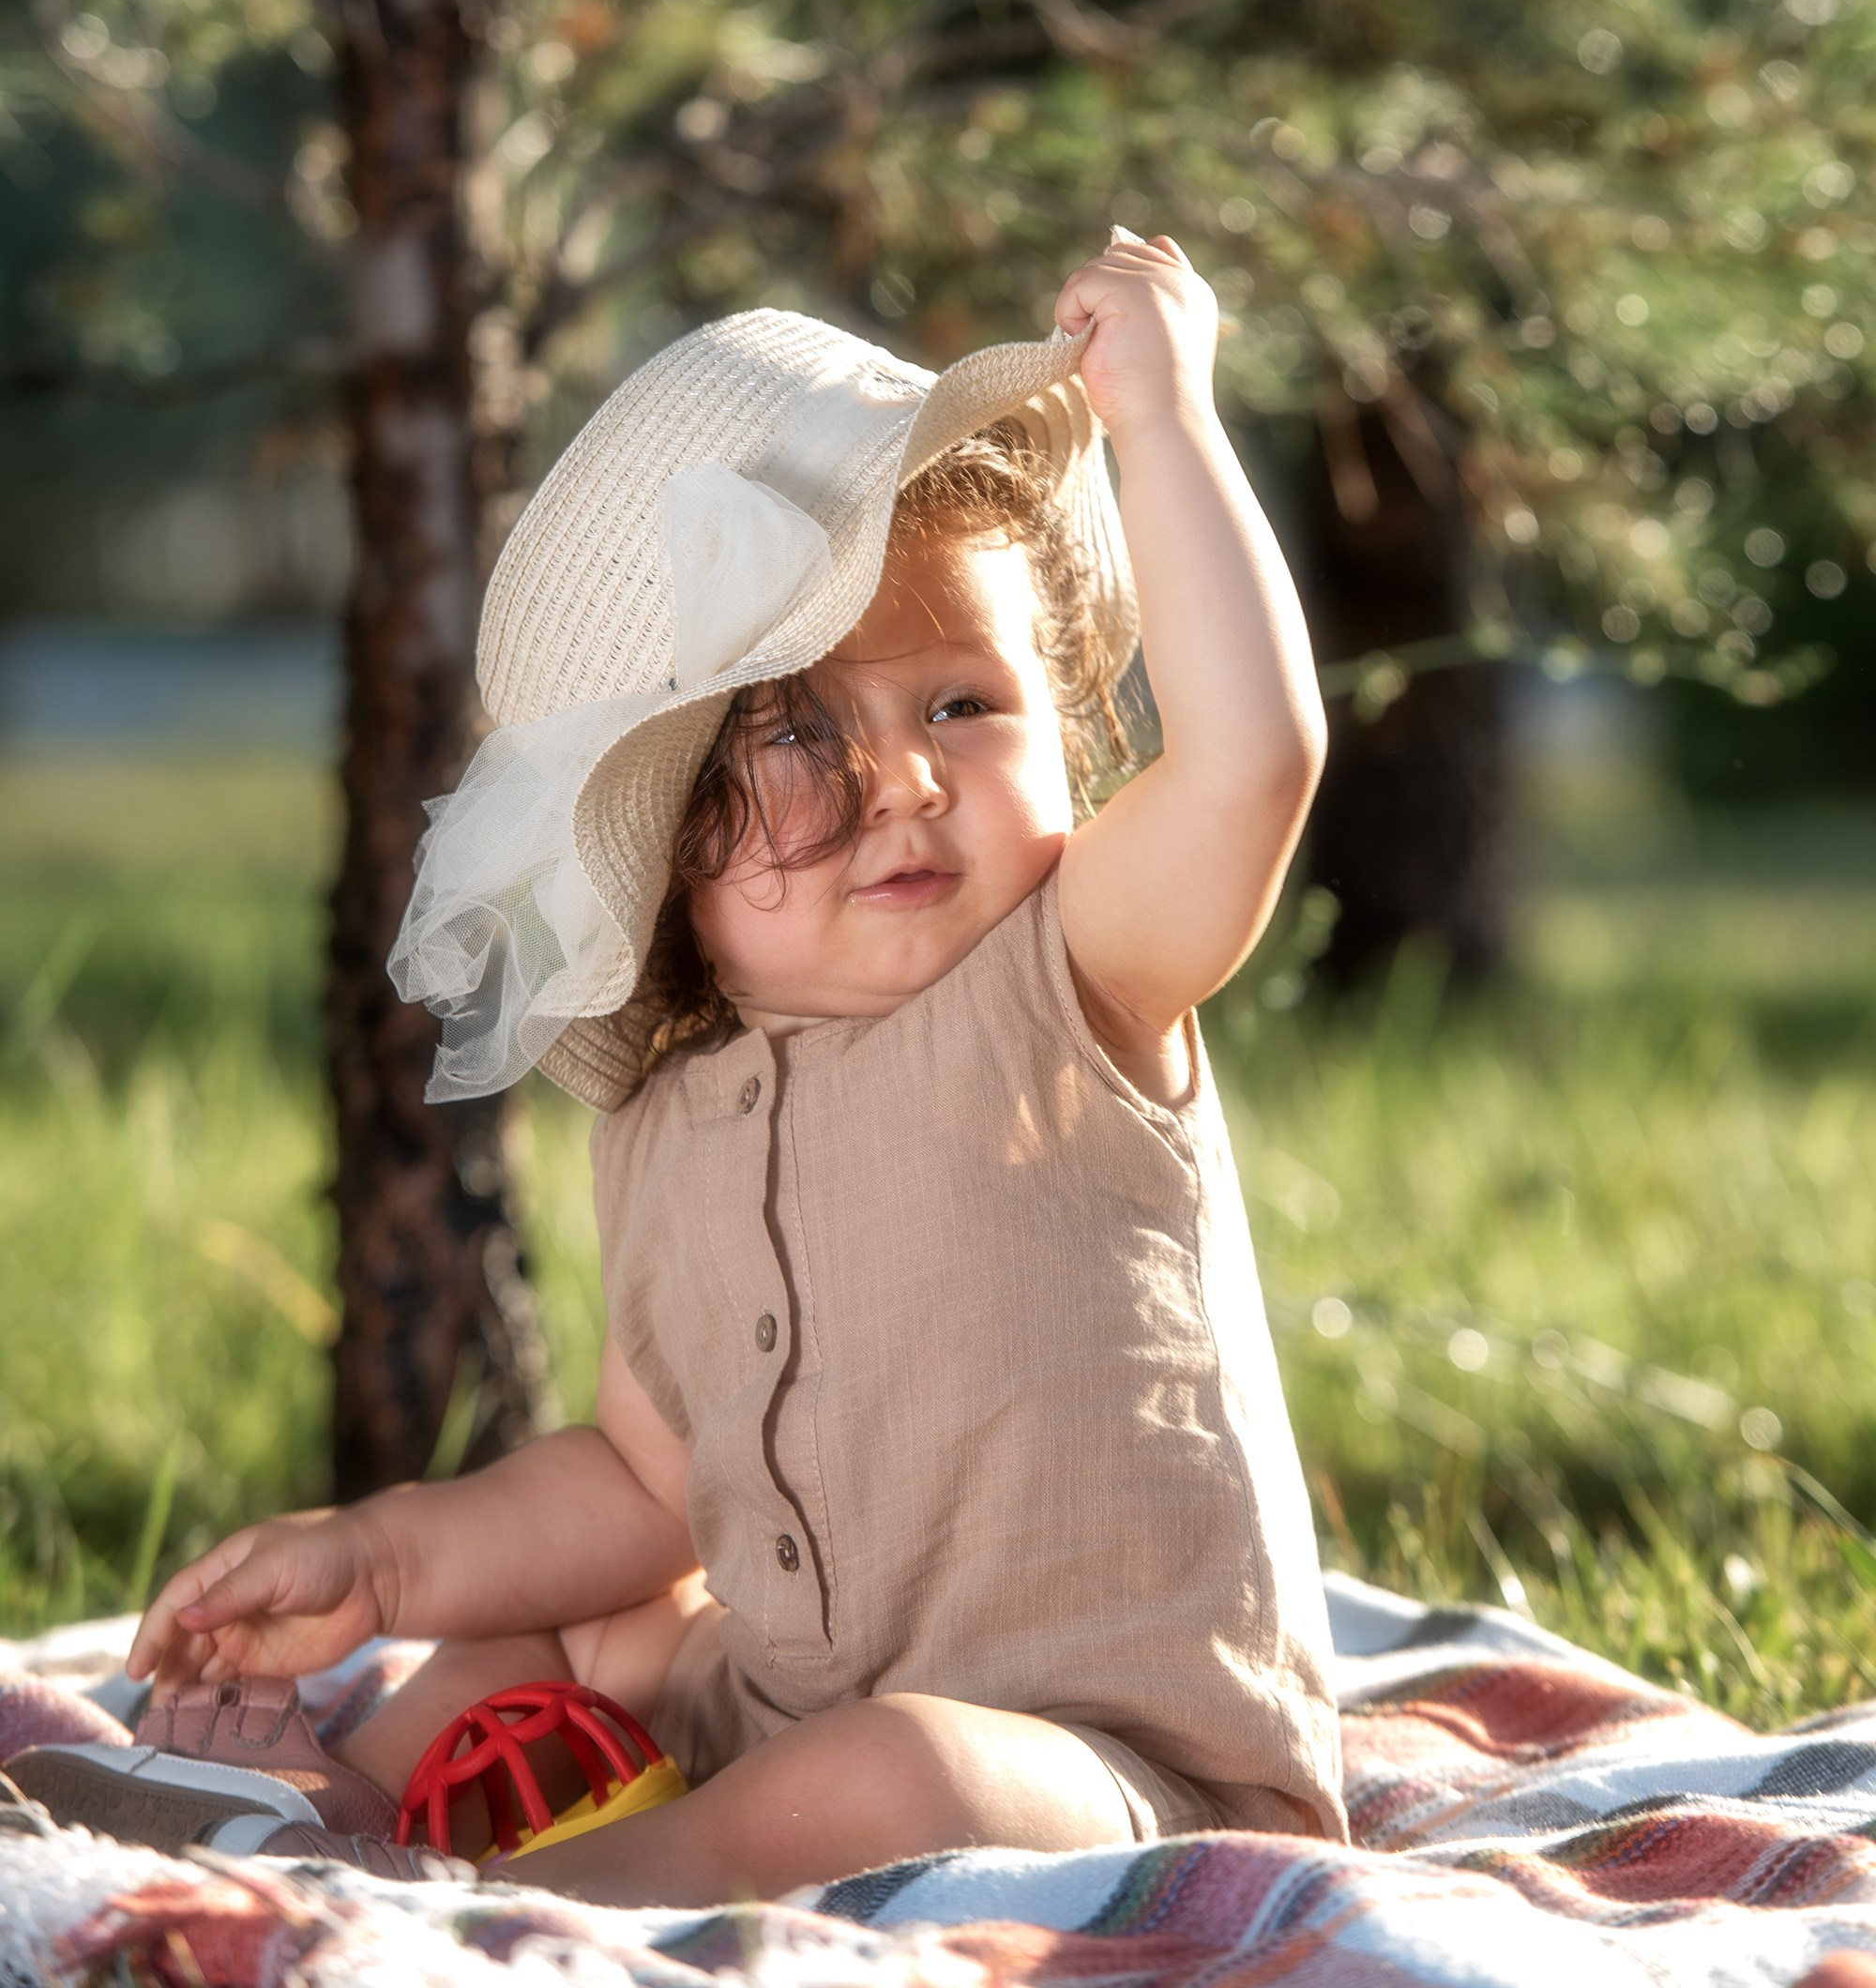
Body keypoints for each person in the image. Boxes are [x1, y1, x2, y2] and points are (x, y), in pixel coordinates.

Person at [22, 231, 1347, 1903]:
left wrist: (1165, 425)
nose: (904, 785)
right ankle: (335, 1811)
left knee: (891, 1767)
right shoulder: (665, 1115)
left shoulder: (1071, 976)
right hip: (781, 1709)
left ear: (1065, 737)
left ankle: (533, 1904)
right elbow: (648, 1482)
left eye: (961, 705)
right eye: (796, 735)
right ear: (665, 867)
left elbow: (1251, 758)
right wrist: (382, 1556)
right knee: (564, 1622)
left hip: (1111, 1776)